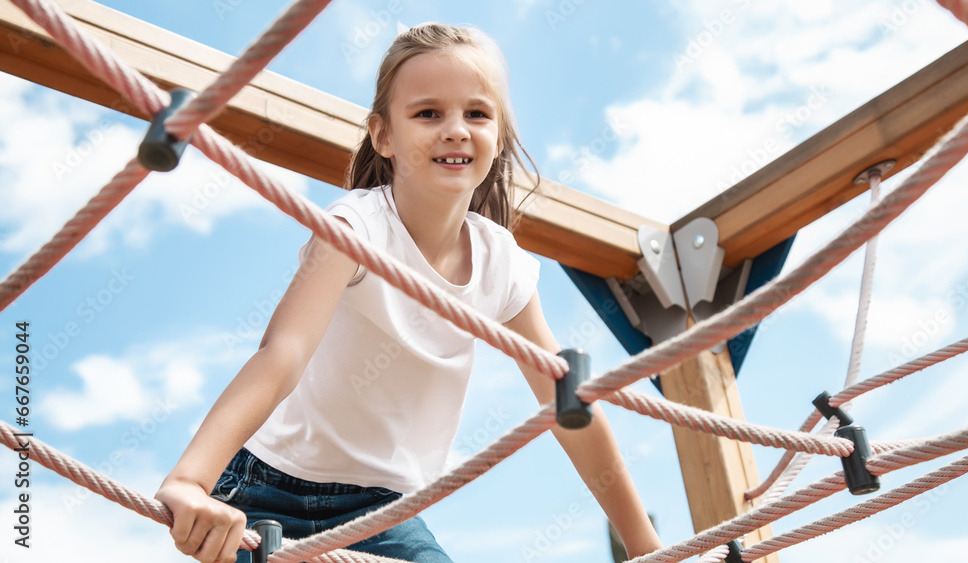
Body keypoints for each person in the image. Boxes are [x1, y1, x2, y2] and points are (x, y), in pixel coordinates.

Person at [155, 22, 663, 563]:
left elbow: (567, 407)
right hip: (268, 487)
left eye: (476, 114)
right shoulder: (356, 228)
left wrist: (645, 545)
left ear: (500, 134)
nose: (455, 130)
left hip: (381, 510)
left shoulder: (503, 266)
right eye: (427, 113)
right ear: (384, 135)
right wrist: (191, 479)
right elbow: (284, 353)